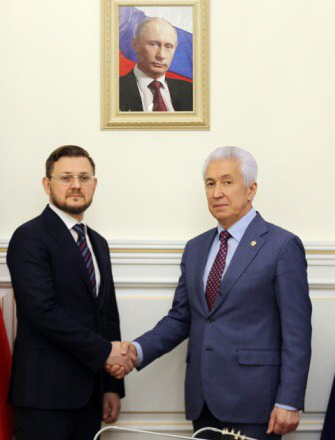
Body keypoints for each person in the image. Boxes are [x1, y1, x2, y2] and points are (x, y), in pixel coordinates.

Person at [113, 146, 312, 439]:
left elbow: (297, 331)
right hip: (202, 402)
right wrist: (136, 351)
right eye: (210, 183)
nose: (217, 193)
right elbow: (181, 318)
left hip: (256, 404)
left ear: (251, 189)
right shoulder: (195, 248)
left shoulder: (282, 245)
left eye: (227, 182)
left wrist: (289, 401)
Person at [7, 145, 132, 440]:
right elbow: (42, 312)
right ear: (46, 184)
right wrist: (105, 352)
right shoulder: (29, 236)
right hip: (44, 397)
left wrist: (112, 387)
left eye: (84, 178)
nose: (76, 185)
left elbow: (107, 316)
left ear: (94, 184)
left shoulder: (97, 243)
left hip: (90, 396)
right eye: (66, 178)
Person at [120, 17, 193, 112]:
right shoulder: (114, 89)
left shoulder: (190, 92)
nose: (161, 55)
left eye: (168, 46)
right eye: (153, 44)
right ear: (135, 45)